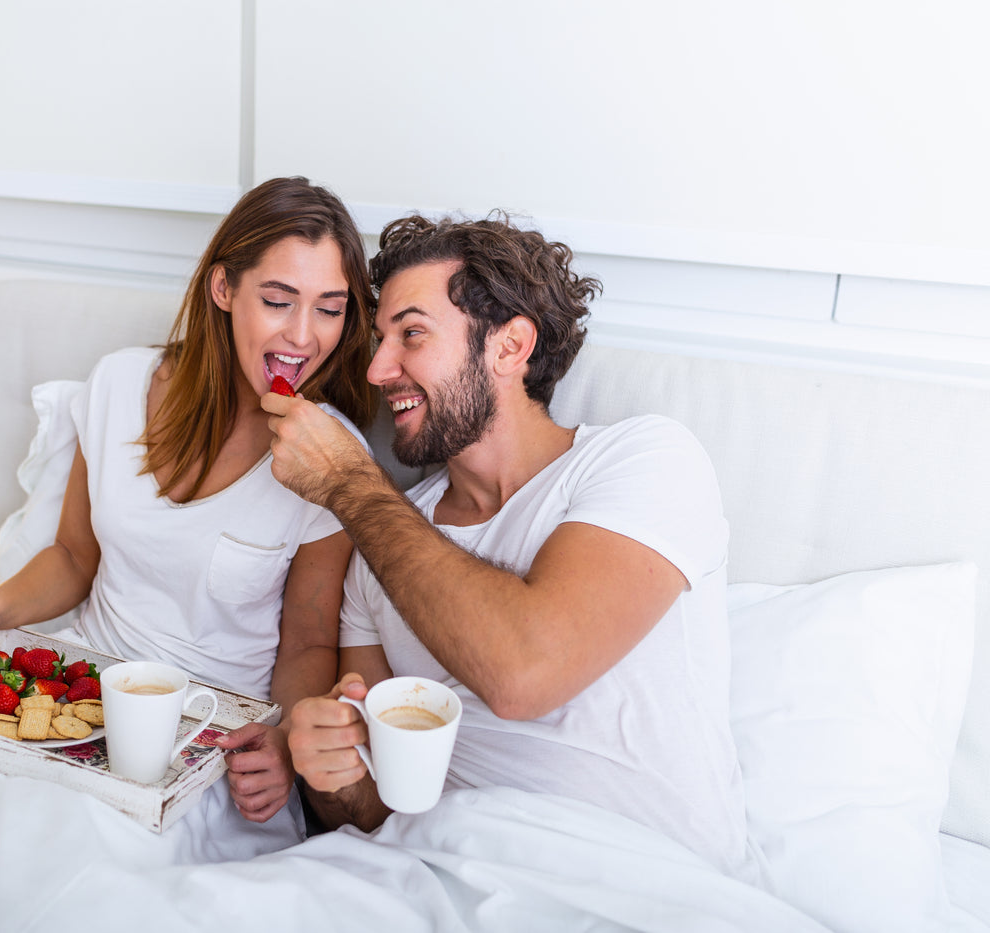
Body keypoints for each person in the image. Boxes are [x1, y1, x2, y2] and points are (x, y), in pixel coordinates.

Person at [262, 212, 755, 877]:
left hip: (636, 881)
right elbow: (373, 809)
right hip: (435, 873)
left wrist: (351, 484)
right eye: (379, 339)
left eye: (411, 333)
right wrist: (331, 769)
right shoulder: (379, 543)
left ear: (509, 345)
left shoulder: (642, 461)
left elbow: (525, 673)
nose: (379, 369)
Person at [0, 176, 376, 837]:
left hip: (204, 734)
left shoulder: (332, 453)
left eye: (329, 308)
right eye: (279, 300)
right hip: (82, 691)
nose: (302, 335)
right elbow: (73, 556)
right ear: (224, 289)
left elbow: (310, 642)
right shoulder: (119, 381)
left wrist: (279, 736)